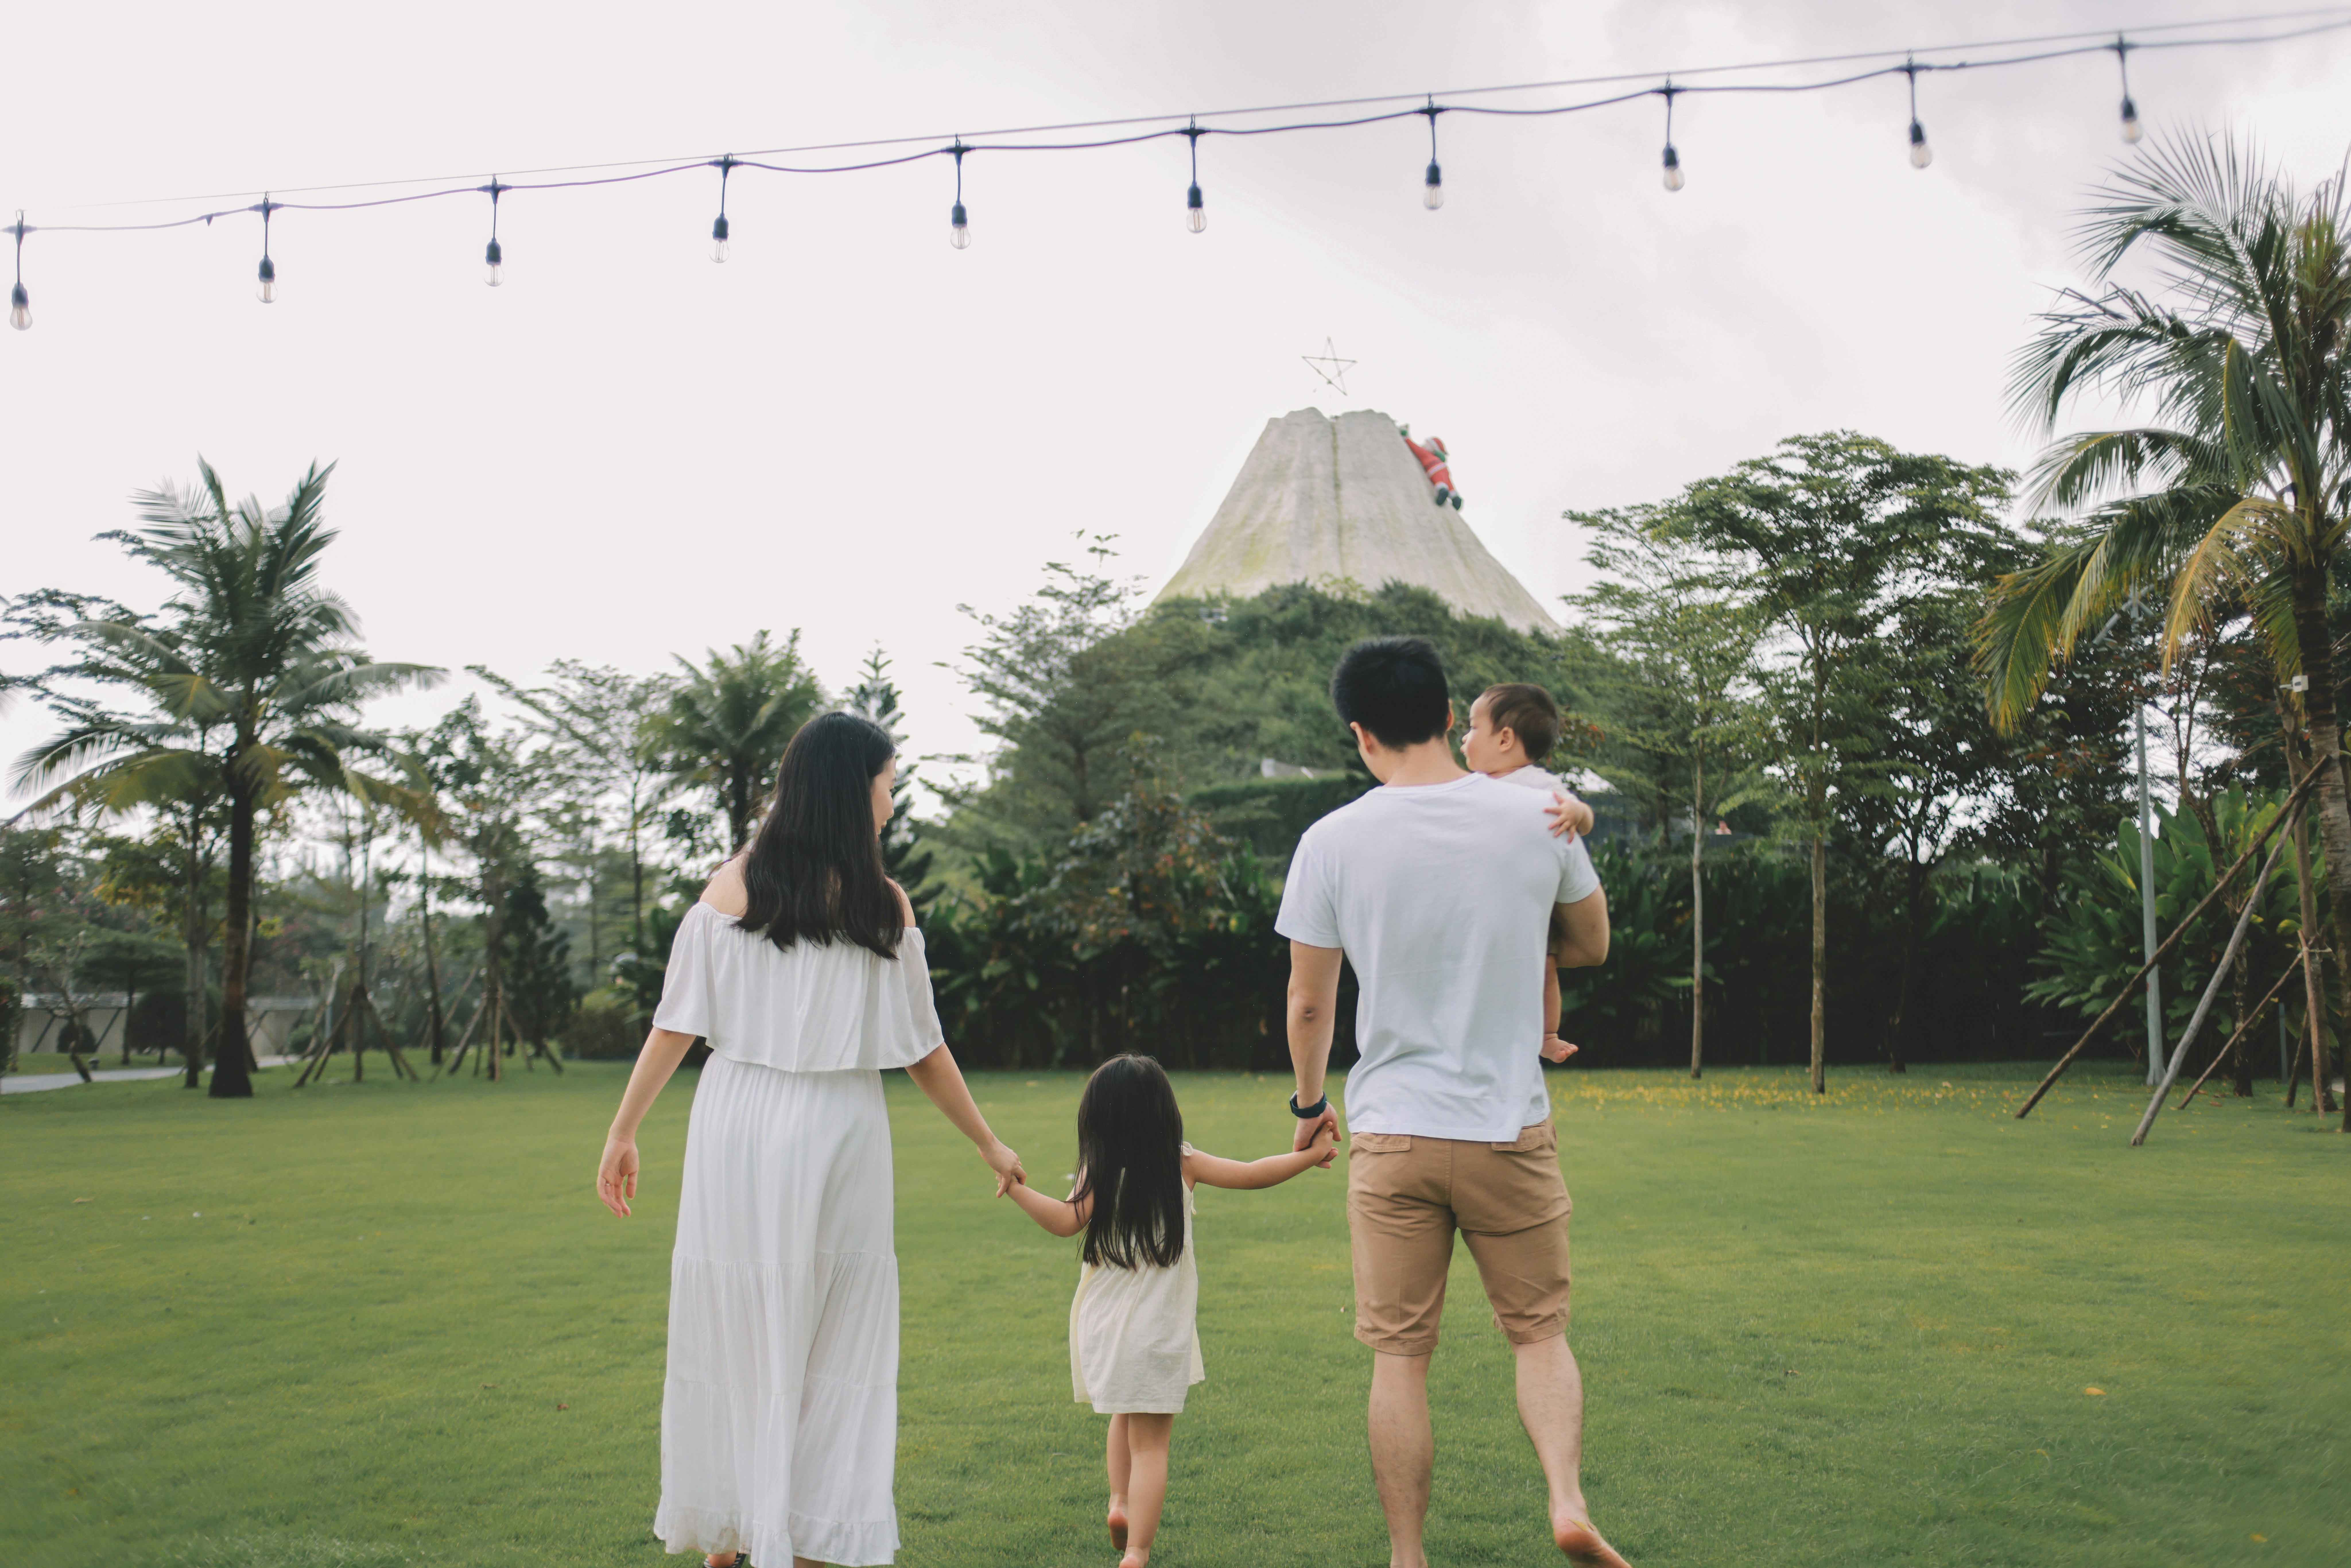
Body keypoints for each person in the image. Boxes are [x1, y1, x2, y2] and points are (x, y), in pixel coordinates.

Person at [595, 711, 1025, 1568]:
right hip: (837, 1125)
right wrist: (987, 1142)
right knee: (833, 1332)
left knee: (740, 1321)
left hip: (737, 1122)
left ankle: (737, 1527)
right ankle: (805, 1536)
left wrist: (624, 1131)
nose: (892, 804)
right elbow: (924, 1049)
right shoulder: (880, 904)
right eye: (888, 785)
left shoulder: (732, 887)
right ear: (850, 789)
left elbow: (676, 1026)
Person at [1278, 637, 1629, 1568]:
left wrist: (1309, 1105)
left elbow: (1310, 1002)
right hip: (1508, 1123)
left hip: (1393, 1131)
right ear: (1446, 715)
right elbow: (1592, 943)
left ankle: (1408, 1556)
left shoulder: (1331, 840)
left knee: (1400, 1359)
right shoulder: (1539, 817)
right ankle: (1566, 1499)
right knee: (1539, 1336)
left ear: (1360, 734)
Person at [1002, 1054, 1335, 1568]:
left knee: (1122, 1412)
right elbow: (1253, 1175)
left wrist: (1016, 1189)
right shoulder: (1182, 1162)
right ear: (1164, 1112)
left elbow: (1065, 1222)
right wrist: (1312, 1156)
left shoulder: (1098, 1170)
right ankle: (1137, 1552)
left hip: (1105, 1327)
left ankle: (1119, 1502)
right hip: (1157, 1331)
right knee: (1152, 1449)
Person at [1461, 682, 1597, 1066]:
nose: (1465, 739)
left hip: (1530, 902)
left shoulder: (1538, 784)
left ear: (1505, 739)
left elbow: (1584, 816)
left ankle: (1547, 1034)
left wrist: (1578, 814)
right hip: (1489, 901)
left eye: (1473, 728)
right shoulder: (1471, 787)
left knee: (1545, 966)